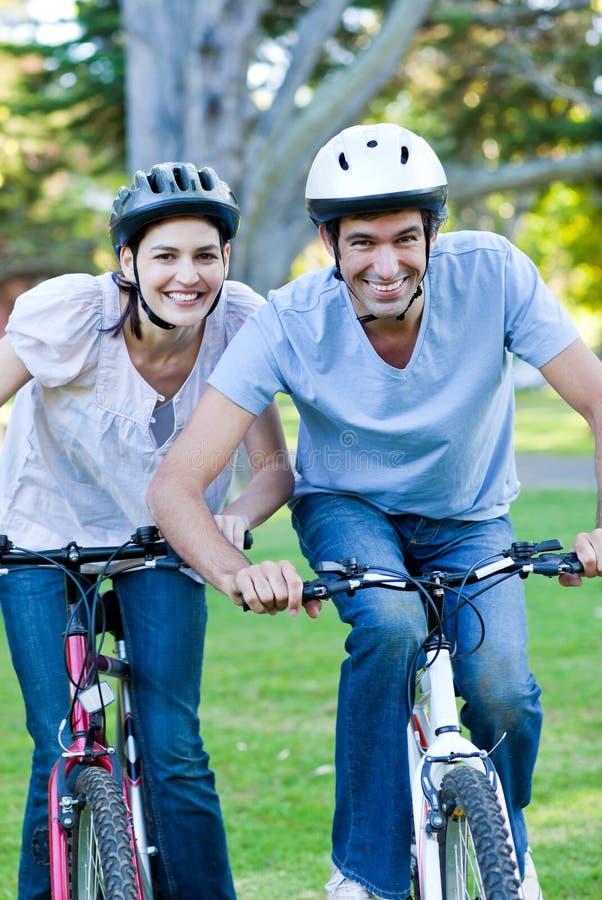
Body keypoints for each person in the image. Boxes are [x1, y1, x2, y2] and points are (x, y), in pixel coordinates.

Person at [148, 124, 602, 900]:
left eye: (404, 239)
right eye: (362, 242)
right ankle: (364, 872)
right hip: (348, 508)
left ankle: (504, 837)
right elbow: (176, 483)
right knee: (388, 623)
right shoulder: (289, 321)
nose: (385, 265)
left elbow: (595, 397)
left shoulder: (495, 276)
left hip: (468, 513)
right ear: (329, 240)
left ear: (434, 233)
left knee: (501, 685)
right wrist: (237, 572)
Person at [0, 161, 294, 899]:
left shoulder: (242, 326)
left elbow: (272, 468)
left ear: (226, 259)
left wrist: (238, 517)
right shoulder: (72, 314)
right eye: (164, 255)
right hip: (41, 537)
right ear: (128, 262)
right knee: (62, 744)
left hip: (162, 546)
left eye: (205, 255)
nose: (186, 275)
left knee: (175, 748)